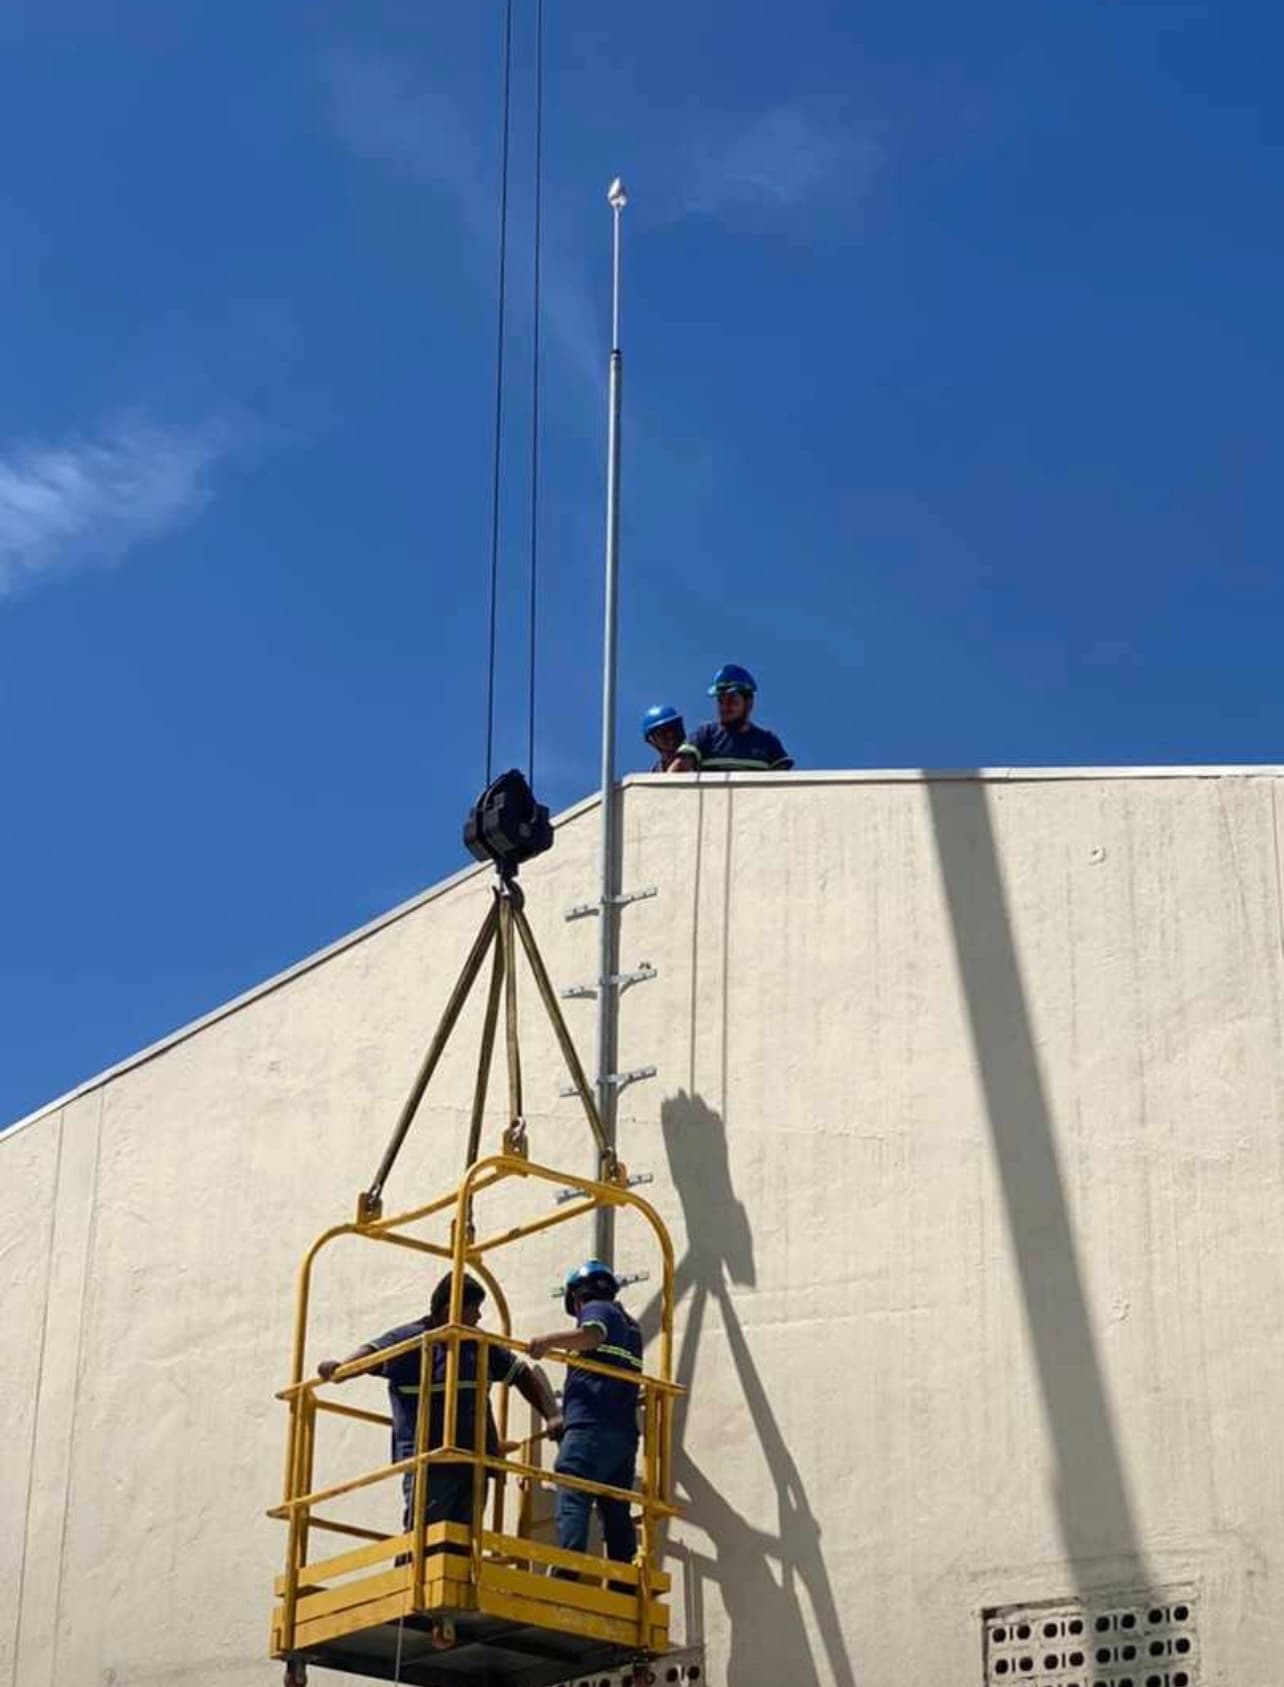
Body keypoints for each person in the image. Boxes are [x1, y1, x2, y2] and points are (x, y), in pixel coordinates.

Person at [318, 1271, 562, 1538]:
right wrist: (341, 1369)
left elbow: (521, 1374)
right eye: (474, 1310)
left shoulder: (477, 1344)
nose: (479, 1317)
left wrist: (551, 1414)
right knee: (424, 1541)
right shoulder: (414, 1341)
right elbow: (372, 1353)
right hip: (431, 1463)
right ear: (450, 1310)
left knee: (465, 1545)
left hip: (474, 1462)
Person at [528, 1260, 643, 1574]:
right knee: (614, 1505)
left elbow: (592, 1335)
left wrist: (548, 1342)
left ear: (578, 1297)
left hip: (590, 1427)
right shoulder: (632, 1328)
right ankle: (624, 1578)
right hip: (623, 1435)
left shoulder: (599, 1309)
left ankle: (568, 1566)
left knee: (572, 1488)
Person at [667, 664, 793, 773]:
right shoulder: (705, 734)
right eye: (721, 701)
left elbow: (783, 782)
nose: (725, 707)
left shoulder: (767, 741)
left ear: (749, 704)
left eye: (732, 700)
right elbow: (679, 768)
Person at [641, 703, 687, 772]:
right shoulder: (653, 775)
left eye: (673, 729)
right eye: (662, 733)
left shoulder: (701, 757)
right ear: (652, 741)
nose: (670, 735)